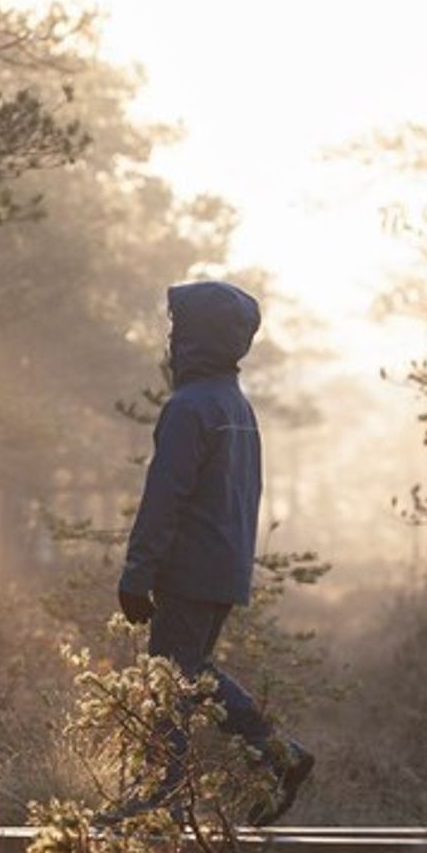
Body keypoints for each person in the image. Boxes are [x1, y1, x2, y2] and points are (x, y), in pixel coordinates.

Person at [111, 280, 314, 825]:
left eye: (180, 327)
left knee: (169, 679)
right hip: (222, 569)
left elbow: (165, 496)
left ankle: (164, 795)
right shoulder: (234, 405)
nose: (173, 336)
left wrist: (137, 572)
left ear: (199, 336)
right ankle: (274, 758)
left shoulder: (190, 407)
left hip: (189, 570)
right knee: (189, 674)